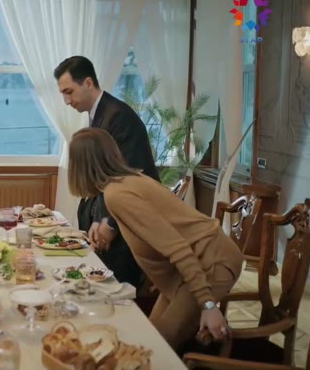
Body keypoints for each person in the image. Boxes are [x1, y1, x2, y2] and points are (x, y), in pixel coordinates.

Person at [67, 127, 243, 350]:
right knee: (150, 341)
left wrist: (208, 305)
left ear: (80, 166)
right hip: (189, 266)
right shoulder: (127, 181)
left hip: (210, 260)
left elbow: (177, 246)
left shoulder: (117, 194)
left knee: (157, 349)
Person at [54, 55, 159, 288]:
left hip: (127, 226)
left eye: (69, 92)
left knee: (114, 290)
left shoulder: (118, 116)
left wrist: (108, 223)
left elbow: (126, 177)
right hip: (110, 215)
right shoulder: (100, 113)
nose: (66, 101)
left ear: (88, 83)